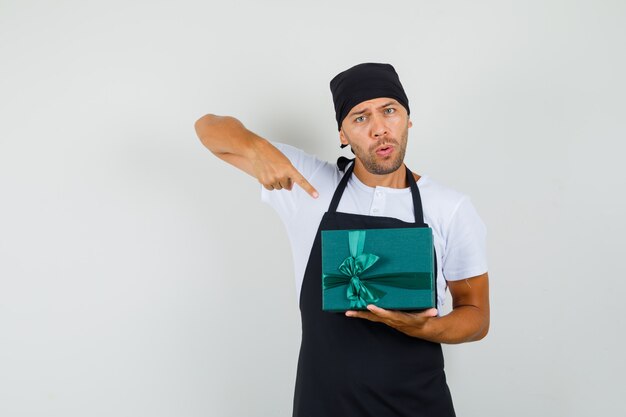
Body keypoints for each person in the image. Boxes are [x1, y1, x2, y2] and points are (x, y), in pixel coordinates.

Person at [194, 63, 490, 417]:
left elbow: (476, 315)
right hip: (324, 405)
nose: (380, 129)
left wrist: (427, 326)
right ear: (343, 135)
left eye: (389, 111)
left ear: (408, 119)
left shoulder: (450, 207)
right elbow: (208, 128)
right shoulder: (308, 185)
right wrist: (258, 149)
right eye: (360, 118)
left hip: (417, 406)